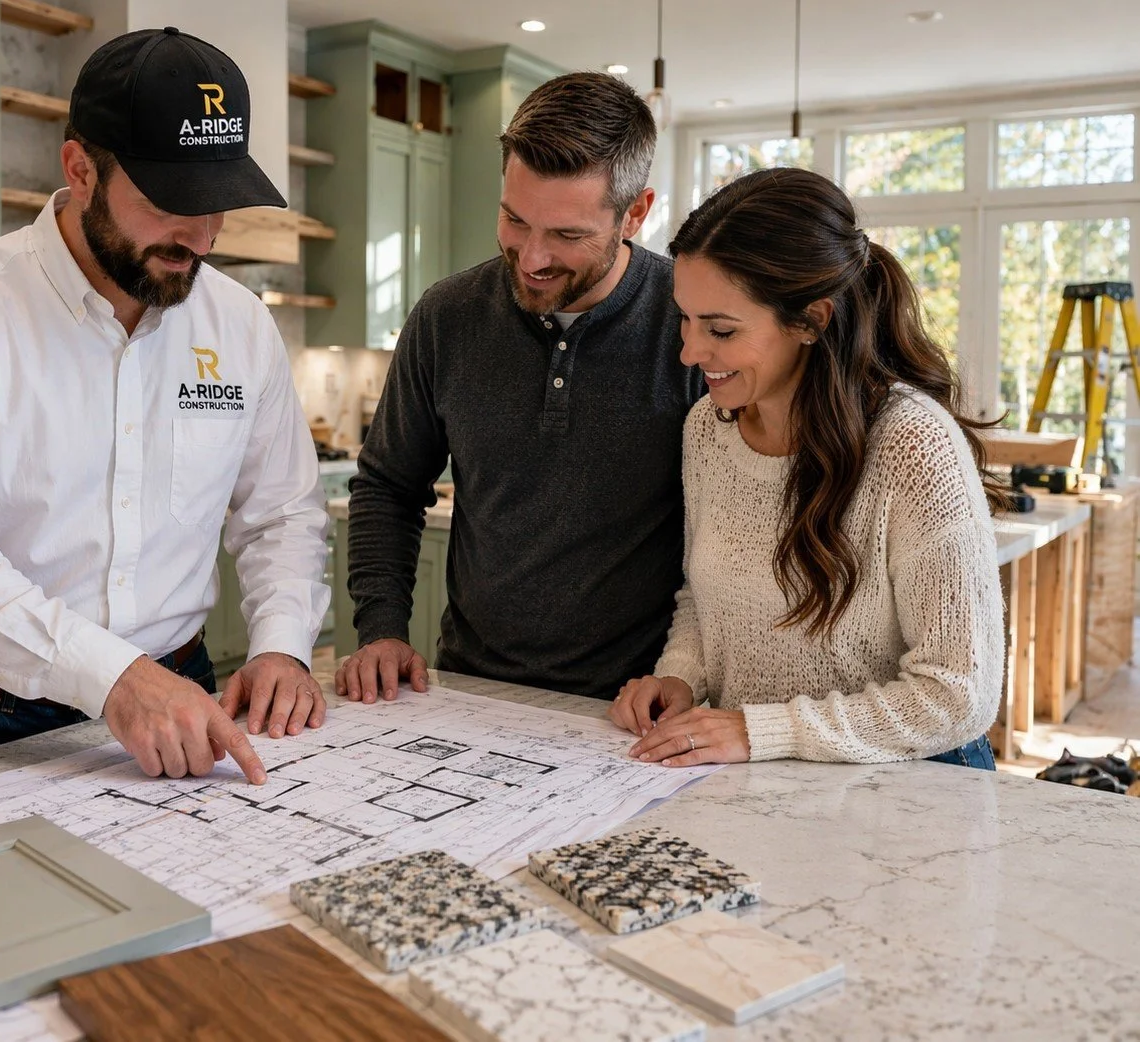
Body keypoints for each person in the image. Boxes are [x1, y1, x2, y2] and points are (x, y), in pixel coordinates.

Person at [0, 28, 331, 783]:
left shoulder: (241, 324)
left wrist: (282, 643)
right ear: (80, 170)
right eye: (170, 202)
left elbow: (281, 513)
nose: (202, 237)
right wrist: (114, 678)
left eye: (218, 204)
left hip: (184, 695)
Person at [609, 167, 1005, 769]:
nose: (689, 351)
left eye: (721, 329)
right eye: (684, 319)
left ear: (811, 321)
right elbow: (705, 599)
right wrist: (679, 677)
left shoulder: (913, 445)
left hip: (914, 784)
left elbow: (959, 695)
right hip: (764, 779)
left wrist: (761, 732)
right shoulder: (707, 430)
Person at [336, 72, 703, 704]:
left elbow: (726, 540)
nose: (531, 258)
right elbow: (388, 488)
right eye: (514, 219)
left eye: (567, 235)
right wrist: (382, 629)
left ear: (634, 214)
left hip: (634, 706)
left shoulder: (690, 323)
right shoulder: (446, 316)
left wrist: (683, 676)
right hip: (469, 688)